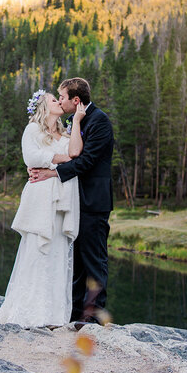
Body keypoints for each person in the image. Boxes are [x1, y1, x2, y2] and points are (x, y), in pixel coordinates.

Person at [0, 89, 86, 327]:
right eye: (54, 100)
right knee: (37, 252)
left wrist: (74, 125)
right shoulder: (33, 130)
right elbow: (31, 157)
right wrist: (60, 159)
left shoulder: (66, 132)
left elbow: (76, 153)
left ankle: (54, 316)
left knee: (57, 252)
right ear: (44, 107)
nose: (59, 102)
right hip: (40, 198)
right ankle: (30, 313)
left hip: (63, 200)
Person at [29, 77, 114, 325]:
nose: (61, 101)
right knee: (76, 261)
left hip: (94, 201)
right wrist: (41, 163)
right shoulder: (73, 121)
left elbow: (86, 161)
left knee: (94, 259)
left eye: (63, 97)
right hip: (76, 201)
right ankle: (75, 313)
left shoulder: (100, 121)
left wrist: (51, 172)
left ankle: (94, 315)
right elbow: (65, 152)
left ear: (76, 100)